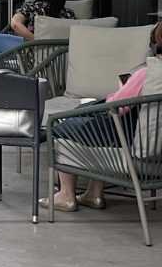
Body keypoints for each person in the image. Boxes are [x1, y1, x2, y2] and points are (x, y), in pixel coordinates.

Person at [41, 23, 162, 212]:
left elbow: (116, 107)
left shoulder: (148, 74)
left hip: (139, 157)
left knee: (62, 127)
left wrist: (124, 88)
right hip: (157, 150)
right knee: (99, 121)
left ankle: (65, 194)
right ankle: (94, 193)